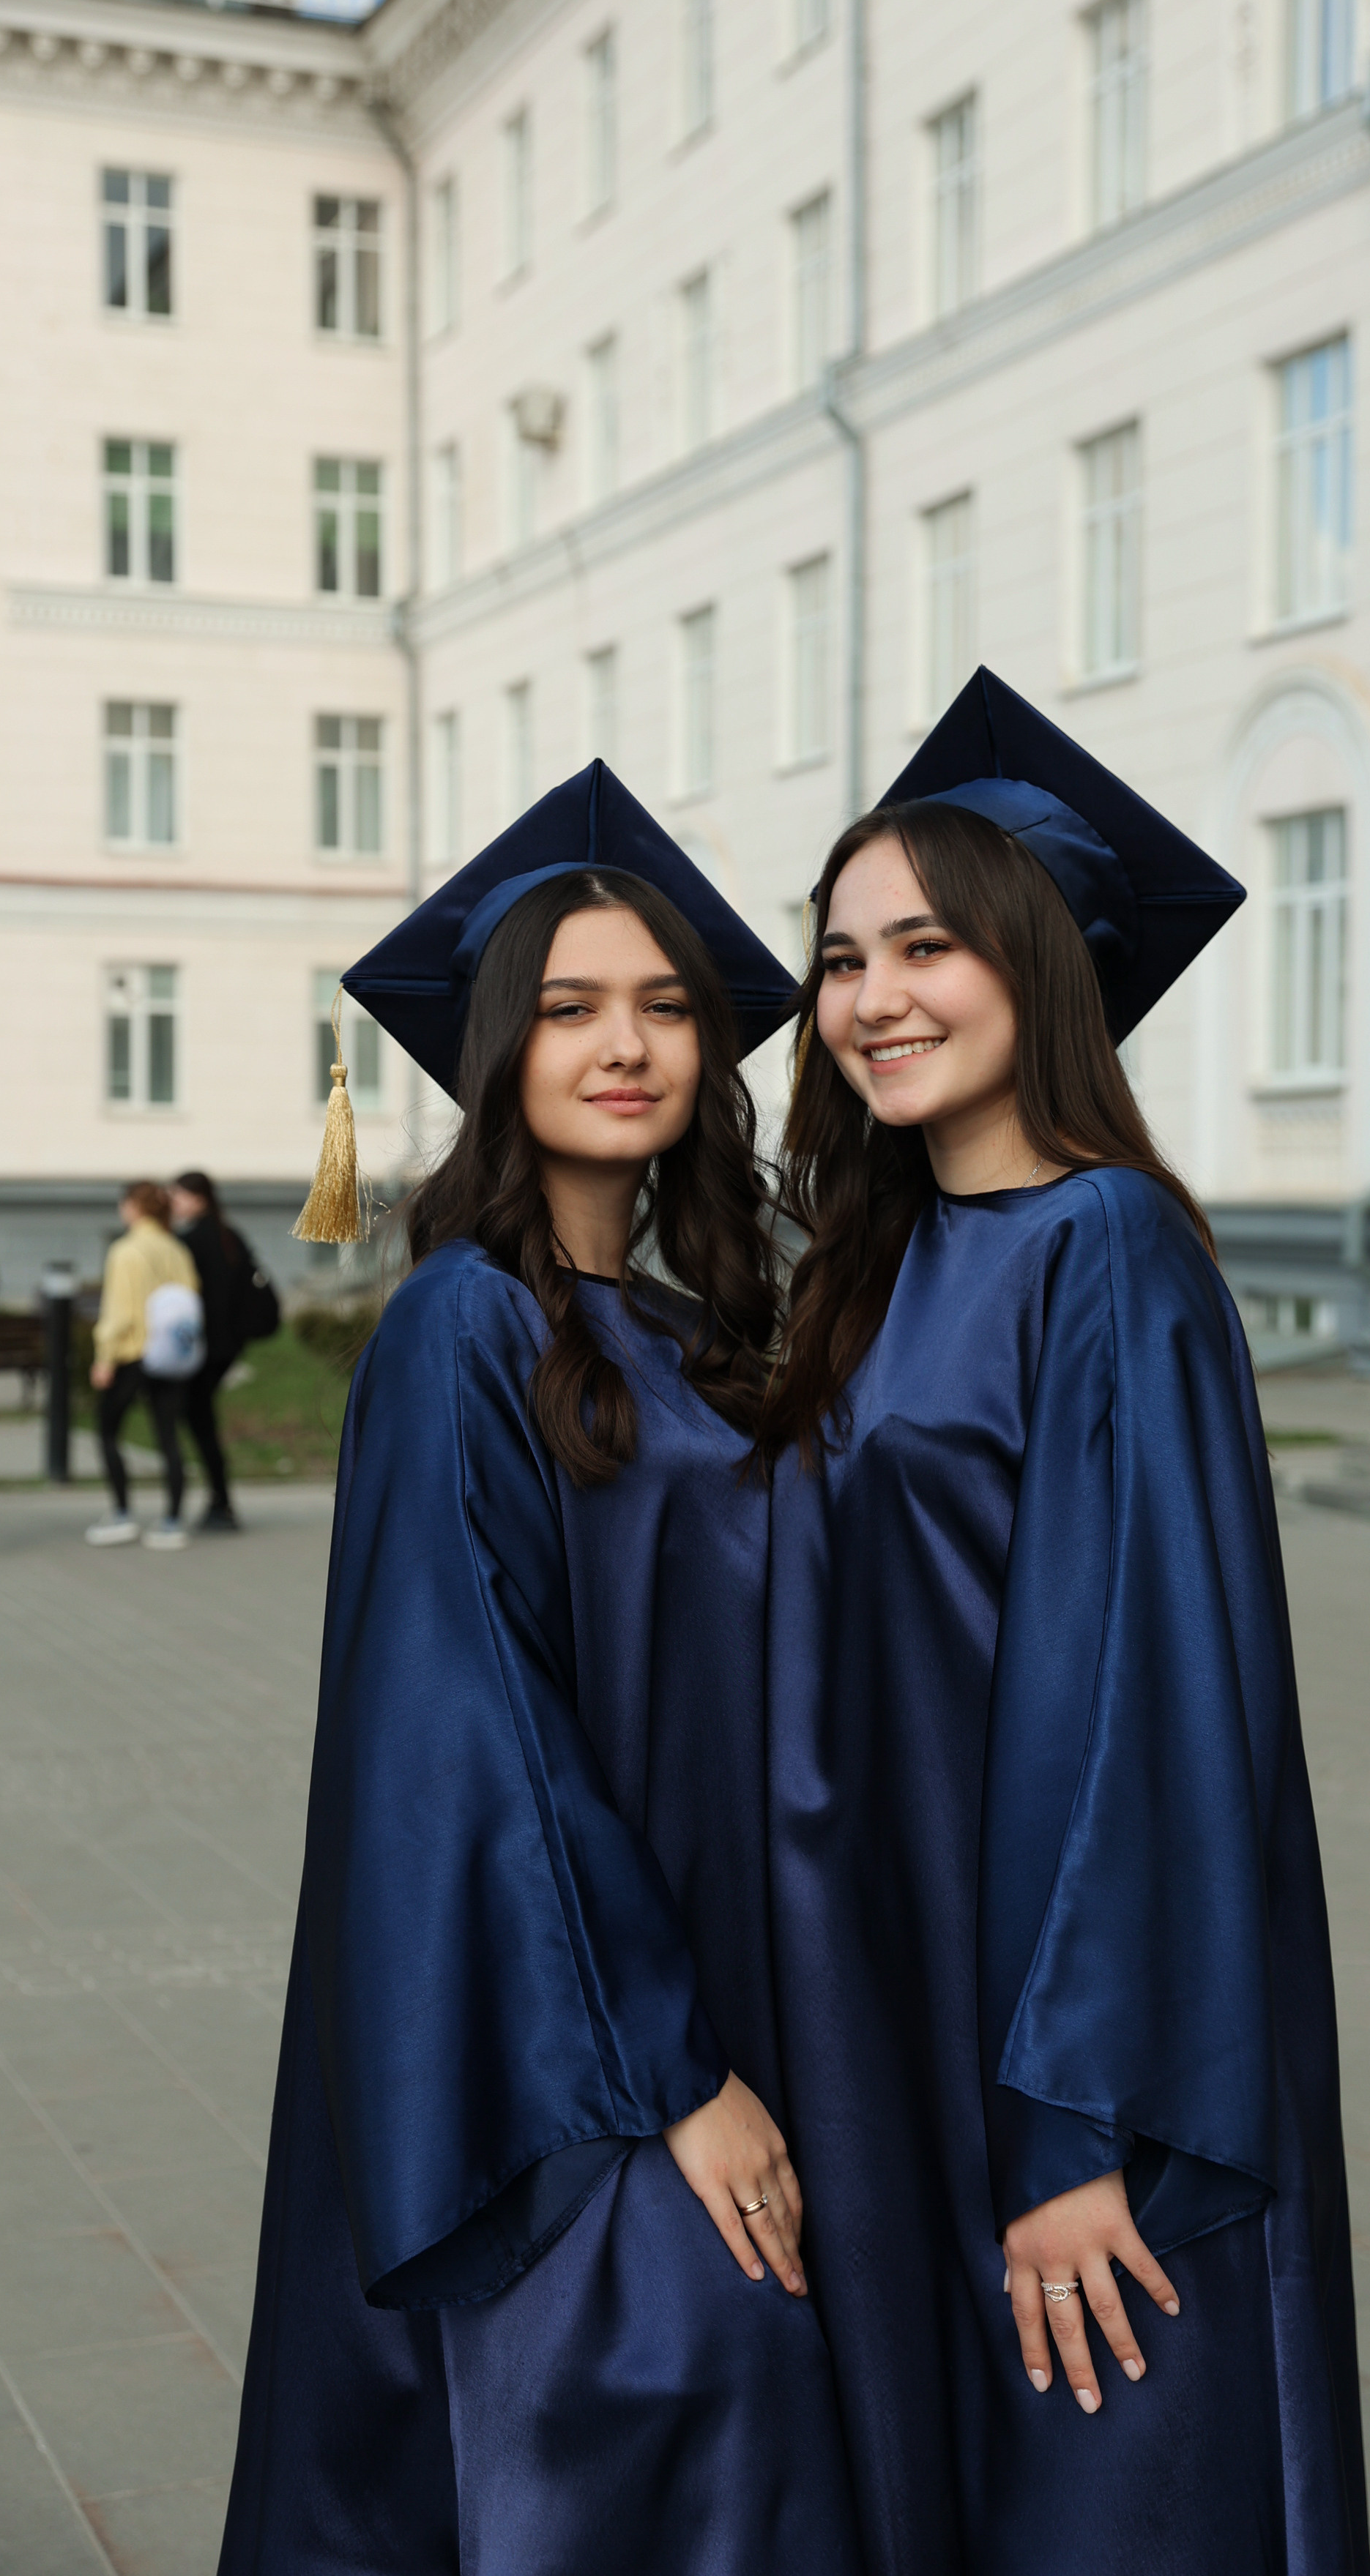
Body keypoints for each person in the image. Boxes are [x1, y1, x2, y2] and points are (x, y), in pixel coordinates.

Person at [219, 766, 861, 2576]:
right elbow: (478, 1728)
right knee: (676, 2392)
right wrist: (674, 2071)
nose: (626, 1044)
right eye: (571, 1007)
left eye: (663, 1005)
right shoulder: (461, 1328)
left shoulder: (678, 1331)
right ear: (499, 1048)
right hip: (559, 2030)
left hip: (705, 1966)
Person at [760, 671, 1370, 2572]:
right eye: (842, 959)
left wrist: (1075, 2132)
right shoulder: (880, 1263)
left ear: (1040, 966)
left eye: (924, 946)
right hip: (906, 2005)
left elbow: (1143, 1712)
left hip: (1077, 2049)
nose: (873, 997)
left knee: (1106, 2495)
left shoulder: (1111, 1250)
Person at [88, 1181, 202, 1550]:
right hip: (170, 1353)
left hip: (131, 1352)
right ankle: (173, 1519)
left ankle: (122, 1513)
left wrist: (104, 1357)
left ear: (134, 1207)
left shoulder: (125, 1250)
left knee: (108, 1431)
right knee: (168, 1435)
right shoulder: (176, 1249)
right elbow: (191, 1297)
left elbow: (119, 1312)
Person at [170, 1169, 256, 1532]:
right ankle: (220, 1500)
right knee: (201, 1418)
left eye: (178, 1196)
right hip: (229, 1345)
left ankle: (221, 1502)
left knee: (199, 1419)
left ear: (198, 1199)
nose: (174, 1203)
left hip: (203, 1347)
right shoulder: (228, 1236)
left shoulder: (190, 1241)